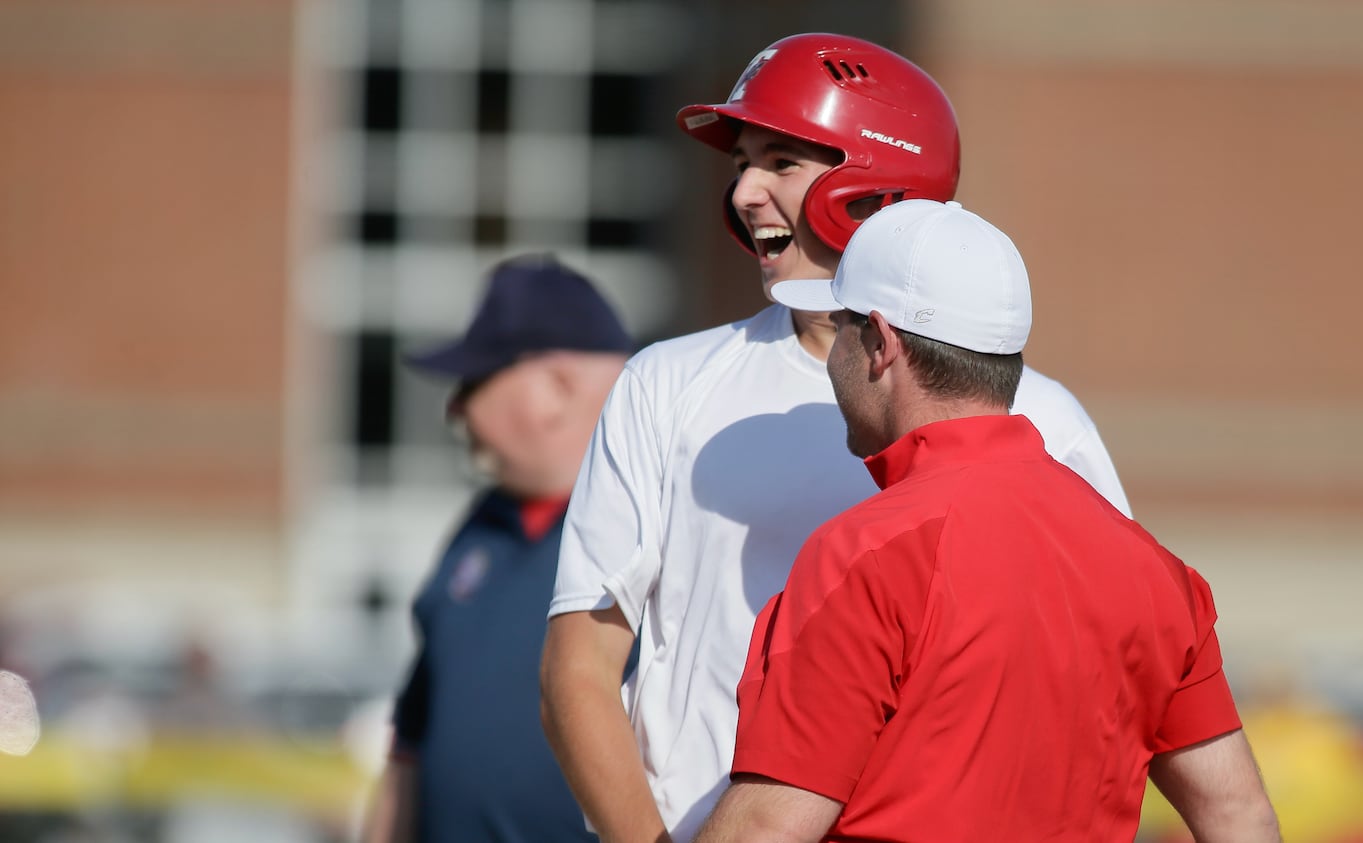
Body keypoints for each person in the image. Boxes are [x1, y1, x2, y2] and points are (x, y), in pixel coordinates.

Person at [540, 33, 1130, 843]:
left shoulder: (1042, 418)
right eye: (743, 161)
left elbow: (1111, 677)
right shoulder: (666, 383)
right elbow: (577, 671)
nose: (745, 191)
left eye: (780, 162)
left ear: (880, 186)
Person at [693, 198, 1281, 843]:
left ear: (881, 343)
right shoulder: (1153, 569)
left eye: (840, 326)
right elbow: (1238, 815)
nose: (833, 357)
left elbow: (768, 826)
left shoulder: (865, 552)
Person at [363, 255, 631, 843]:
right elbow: (411, 744)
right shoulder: (481, 526)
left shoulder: (666, 523)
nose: (457, 409)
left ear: (558, 387)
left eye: (475, 382)